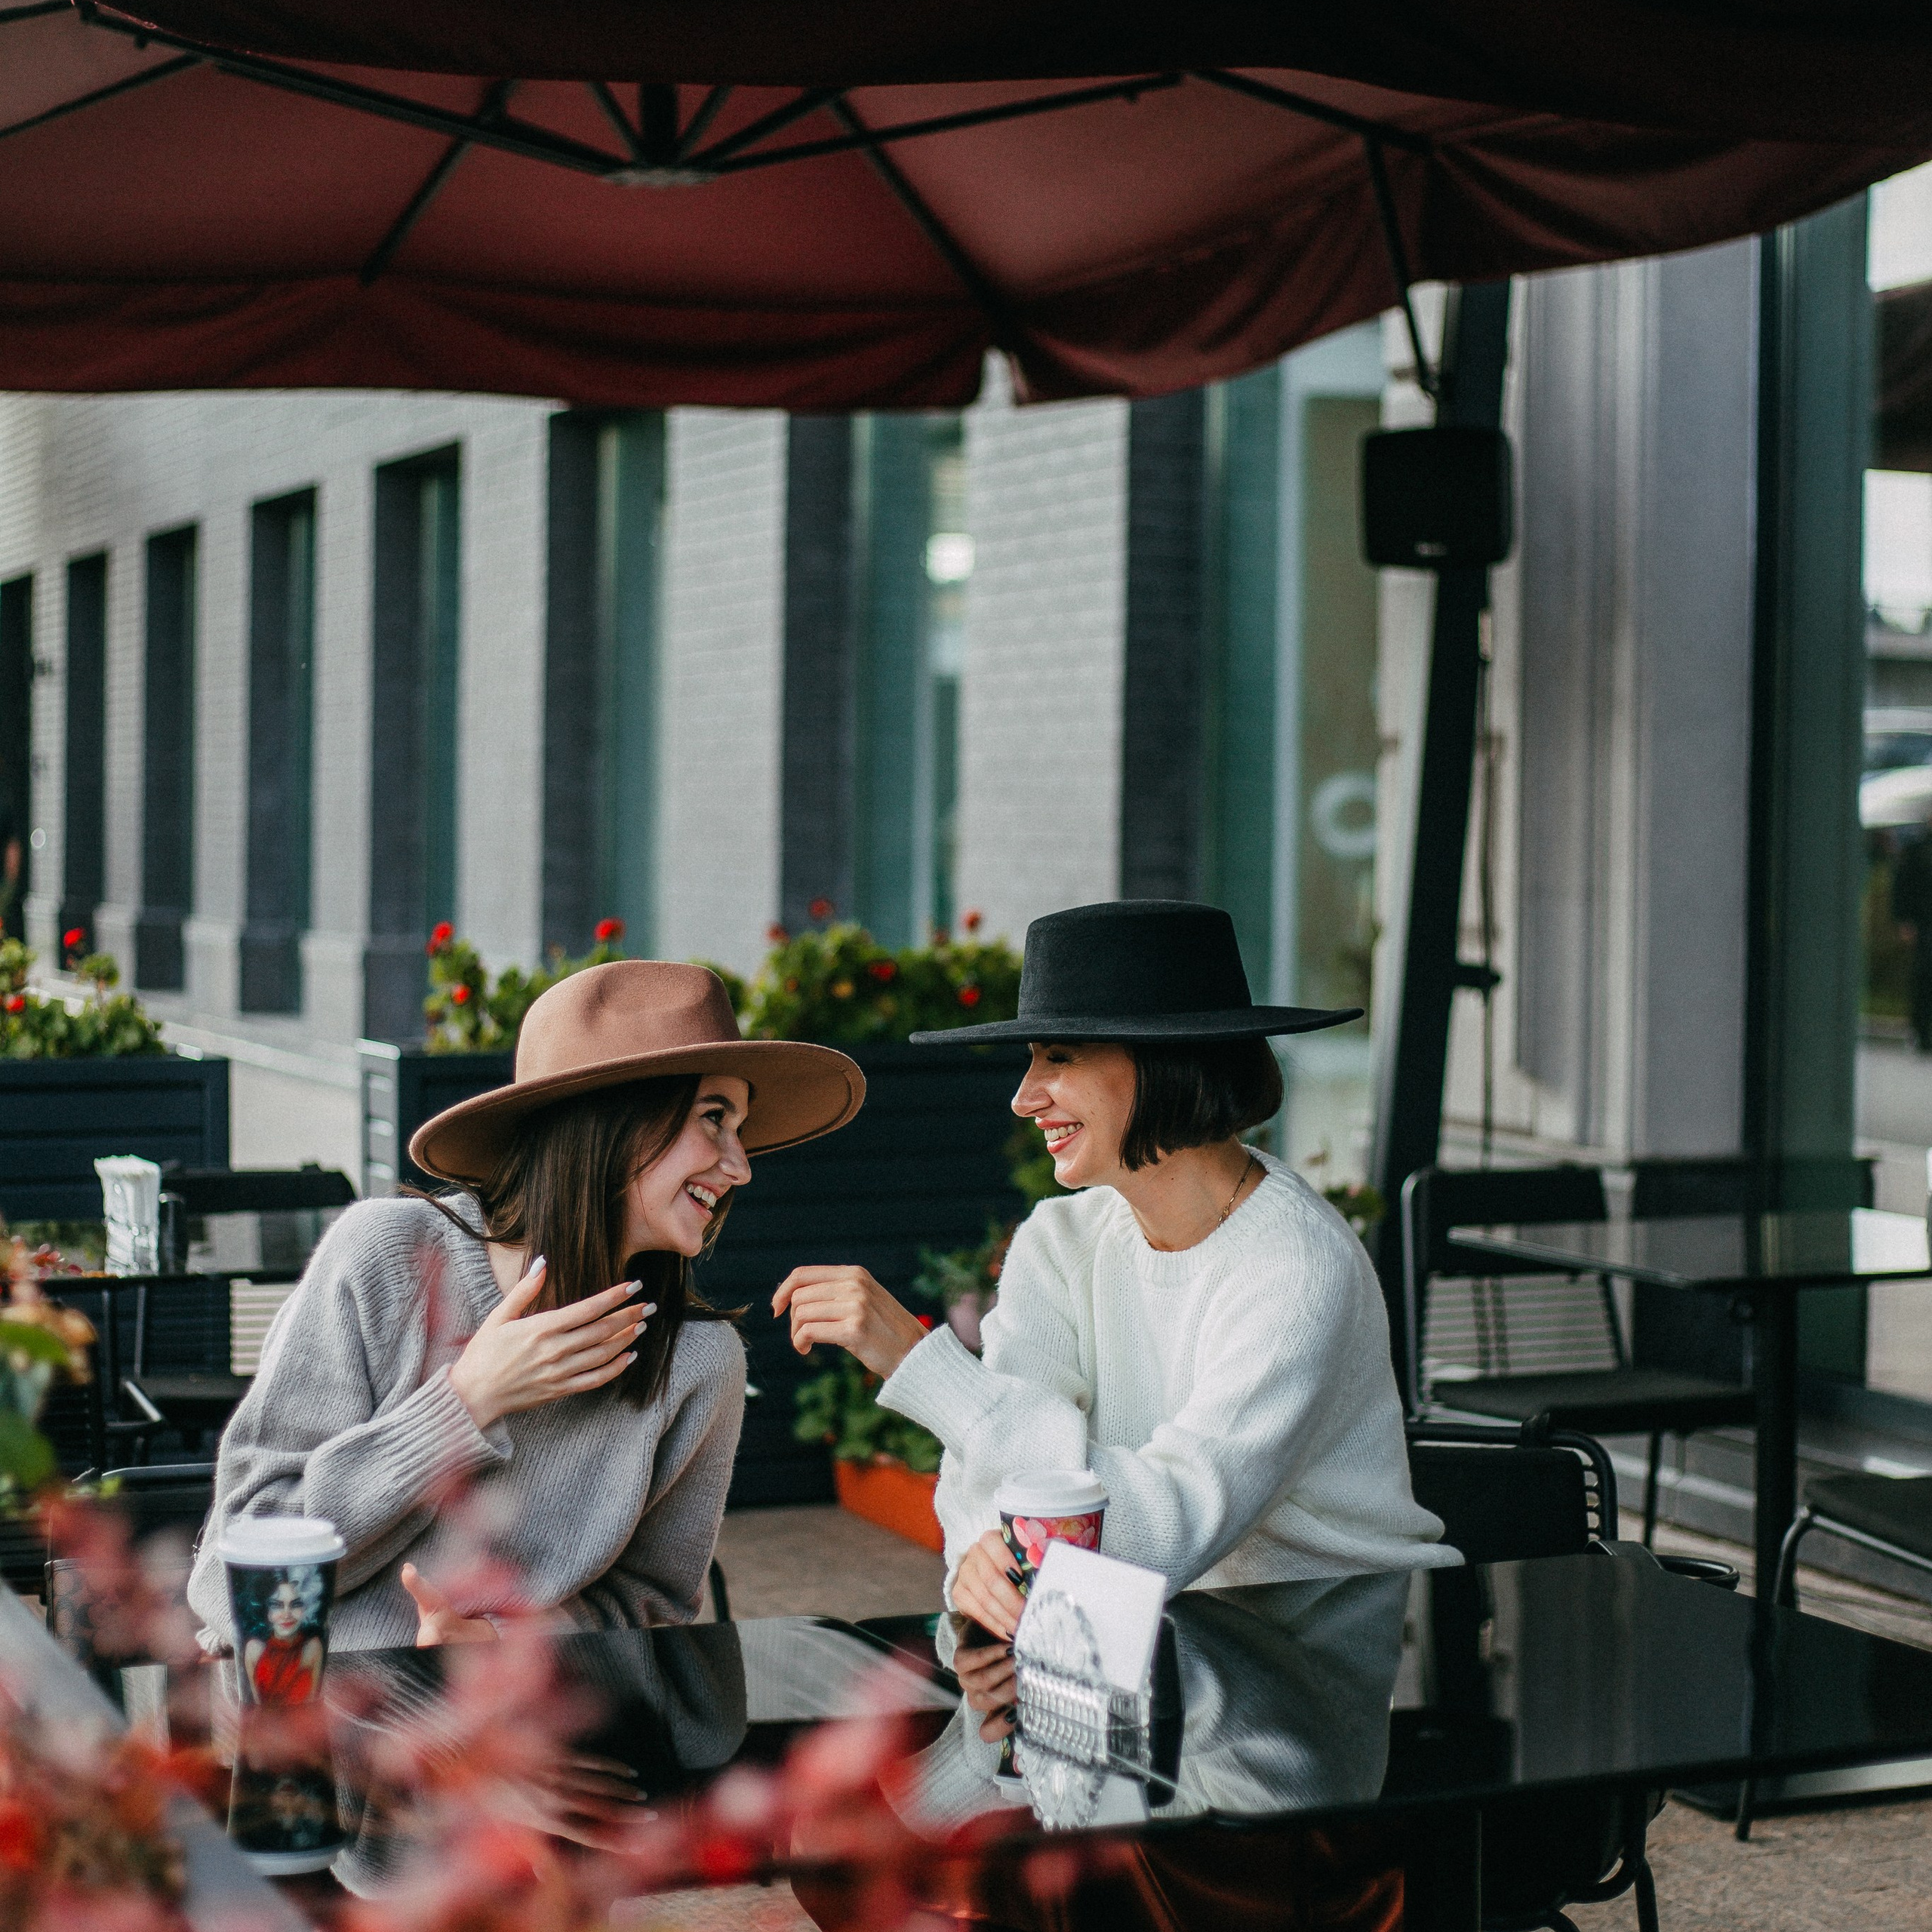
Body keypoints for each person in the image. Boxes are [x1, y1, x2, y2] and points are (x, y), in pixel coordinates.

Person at [774, 900, 1455, 1651]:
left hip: (1325, 1653)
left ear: (1164, 1061)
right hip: (1147, 1648)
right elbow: (986, 1478)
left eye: (1056, 1058)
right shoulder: (1060, 1241)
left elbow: (1156, 1532)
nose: (1022, 1096)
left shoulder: (1292, 1268)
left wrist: (920, 1362)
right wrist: (980, 1557)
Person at [189, 960, 863, 1654]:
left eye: (741, 1129)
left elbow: (653, 1607)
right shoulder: (385, 1257)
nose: (741, 1165)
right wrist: (466, 1401)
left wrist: (517, 1639)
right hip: (302, 1723)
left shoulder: (696, 1362)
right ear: (612, 1123)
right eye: (713, 1119)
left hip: (522, 1735)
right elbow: (226, 1583)